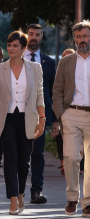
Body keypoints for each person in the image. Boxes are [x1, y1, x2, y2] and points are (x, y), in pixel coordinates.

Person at [0, 31, 45, 215]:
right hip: (7, 119)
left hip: (27, 118)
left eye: (15, 46)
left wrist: (42, 120)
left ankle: (20, 193)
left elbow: (39, 96)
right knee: (10, 159)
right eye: (9, 45)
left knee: (23, 161)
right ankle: (13, 198)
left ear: (23, 48)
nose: (10, 48)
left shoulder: (35, 68)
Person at [52, 19, 90, 217]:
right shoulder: (66, 62)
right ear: (74, 39)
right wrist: (62, 115)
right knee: (70, 157)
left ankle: (88, 202)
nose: (81, 40)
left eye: (84, 36)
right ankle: (72, 198)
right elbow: (57, 90)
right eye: (78, 37)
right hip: (71, 114)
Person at [25, 23, 59, 204]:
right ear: (26, 35)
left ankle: (36, 191)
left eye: (38, 34)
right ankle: (17, 191)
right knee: (19, 155)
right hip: (18, 114)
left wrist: (54, 120)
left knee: (37, 154)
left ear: (41, 37)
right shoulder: (16, 58)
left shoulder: (49, 62)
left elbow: (53, 92)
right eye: (31, 34)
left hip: (40, 115)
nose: (34, 37)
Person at [55, 48, 75, 176]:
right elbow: (56, 91)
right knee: (62, 139)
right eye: (64, 57)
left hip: (80, 111)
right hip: (63, 111)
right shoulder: (58, 73)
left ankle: (78, 165)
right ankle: (63, 165)